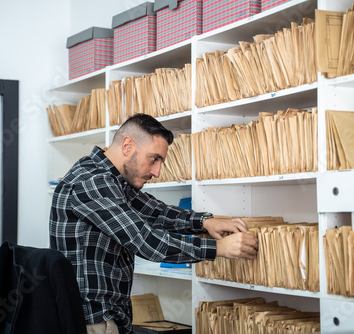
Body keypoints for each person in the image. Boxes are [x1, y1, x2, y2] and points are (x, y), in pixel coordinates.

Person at [49, 113, 258, 334]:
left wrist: (204, 222)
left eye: (161, 161)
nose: (157, 172)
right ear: (128, 145)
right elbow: (147, 242)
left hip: (107, 314)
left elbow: (156, 212)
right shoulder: (92, 182)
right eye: (154, 158)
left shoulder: (109, 179)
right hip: (94, 319)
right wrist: (218, 248)